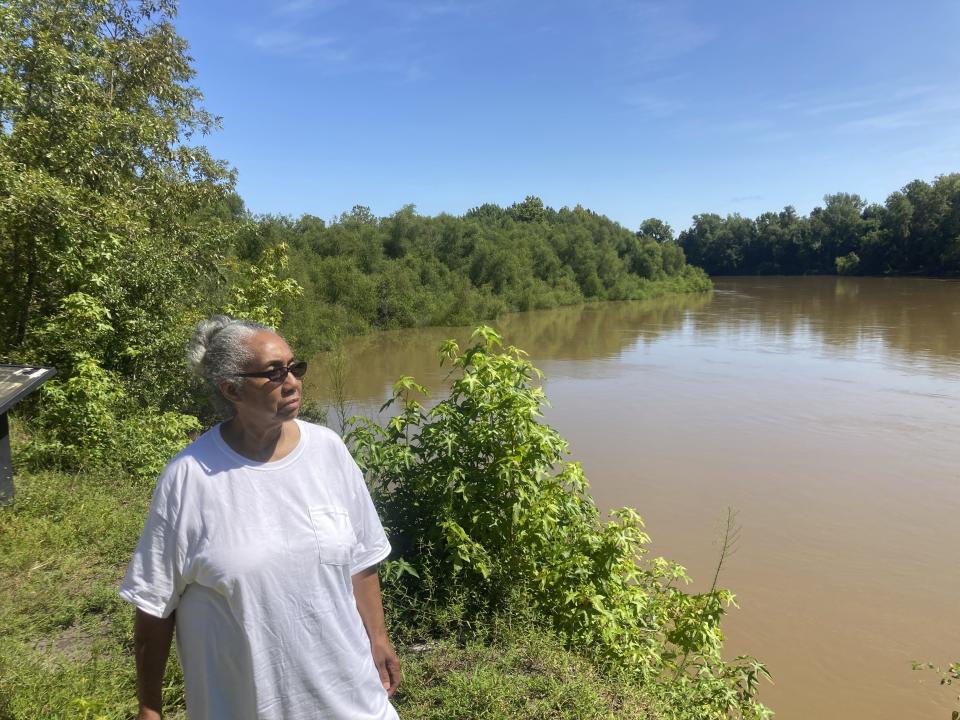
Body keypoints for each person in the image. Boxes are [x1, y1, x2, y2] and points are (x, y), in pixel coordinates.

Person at [120, 316, 400, 720]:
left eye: (293, 367)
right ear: (231, 388)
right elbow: (153, 604)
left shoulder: (328, 450)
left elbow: (361, 559)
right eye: (273, 373)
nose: (292, 382)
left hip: (351, 697)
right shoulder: (190, 477)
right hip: (248, 704)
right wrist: (150, 707)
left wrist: (378, 638)